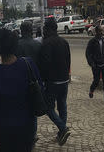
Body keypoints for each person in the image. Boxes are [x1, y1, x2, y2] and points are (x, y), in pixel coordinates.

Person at [39, 18, 71, 146]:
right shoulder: (64, 42)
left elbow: (44, 64)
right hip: (64, 80)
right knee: (62, 105)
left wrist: (44, 80)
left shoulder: (46, 44)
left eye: (44, 28)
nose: (43, 31)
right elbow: (68, 60)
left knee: (48, 108)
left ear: (48, 29)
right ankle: (60, 133)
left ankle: (63, 128)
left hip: (52, 81)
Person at [86, 25, 104, 103]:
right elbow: (88, 54)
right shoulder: (92, 42)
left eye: (102, 31)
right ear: (96, 32)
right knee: (96, 80)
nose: (101, 32)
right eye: (100, 31)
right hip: (96, 65)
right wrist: (92, 63)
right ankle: (91, 90)